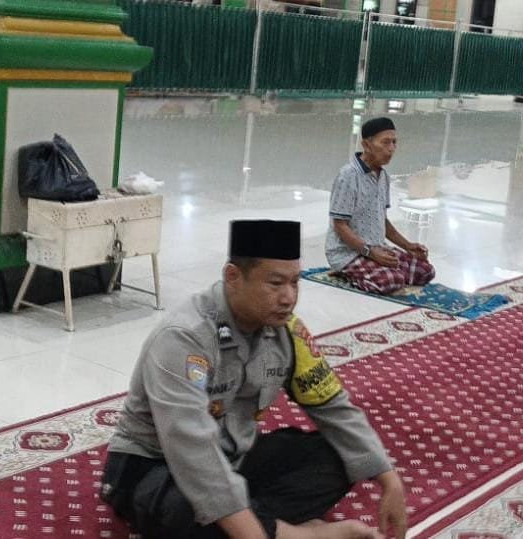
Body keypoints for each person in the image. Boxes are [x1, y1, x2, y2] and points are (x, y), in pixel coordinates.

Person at [101, 220, 405, 539]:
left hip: (233, 458)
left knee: (340, 452)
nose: (288, 298)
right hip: (156, 466)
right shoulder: (185, 337)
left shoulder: (287, 331)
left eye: (295, 283)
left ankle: (252, 520)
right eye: (275, 283)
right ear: (233, 277)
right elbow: (191, 449)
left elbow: (332, 406)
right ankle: (297, 534)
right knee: (185, 508)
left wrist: (389, 480)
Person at [327, 117, 435, 295]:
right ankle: (346, 272)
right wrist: (370, 252)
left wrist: (408, 246)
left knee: (425, 271)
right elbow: (340, 225)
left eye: (394, 142)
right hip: (348, 253)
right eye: (385, 142)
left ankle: (373, 270)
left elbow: (382, 220)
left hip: (377, 247)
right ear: (366, 145)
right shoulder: (348, 176)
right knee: (392, 280)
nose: (391, 148)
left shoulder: (383, 177)